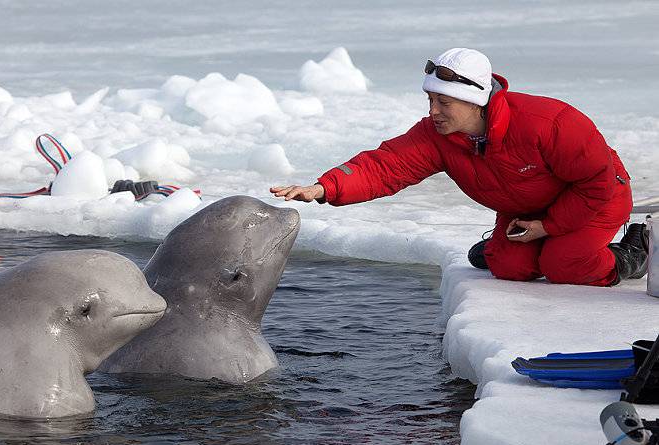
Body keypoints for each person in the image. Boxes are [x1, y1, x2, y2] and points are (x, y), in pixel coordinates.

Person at [271, 47, 649, 287]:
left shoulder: (548, 123)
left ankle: (633, 253)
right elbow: (386, 166)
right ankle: (502, 248)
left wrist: (547, 227)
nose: (433, 111)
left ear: (474, 102)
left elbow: (596, 182)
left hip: (596, 197)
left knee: (564, 263)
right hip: (529, 207)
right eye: (430, 99)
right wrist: (325, 187)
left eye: (444, 103)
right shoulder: (439, 136)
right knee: (510, 267)